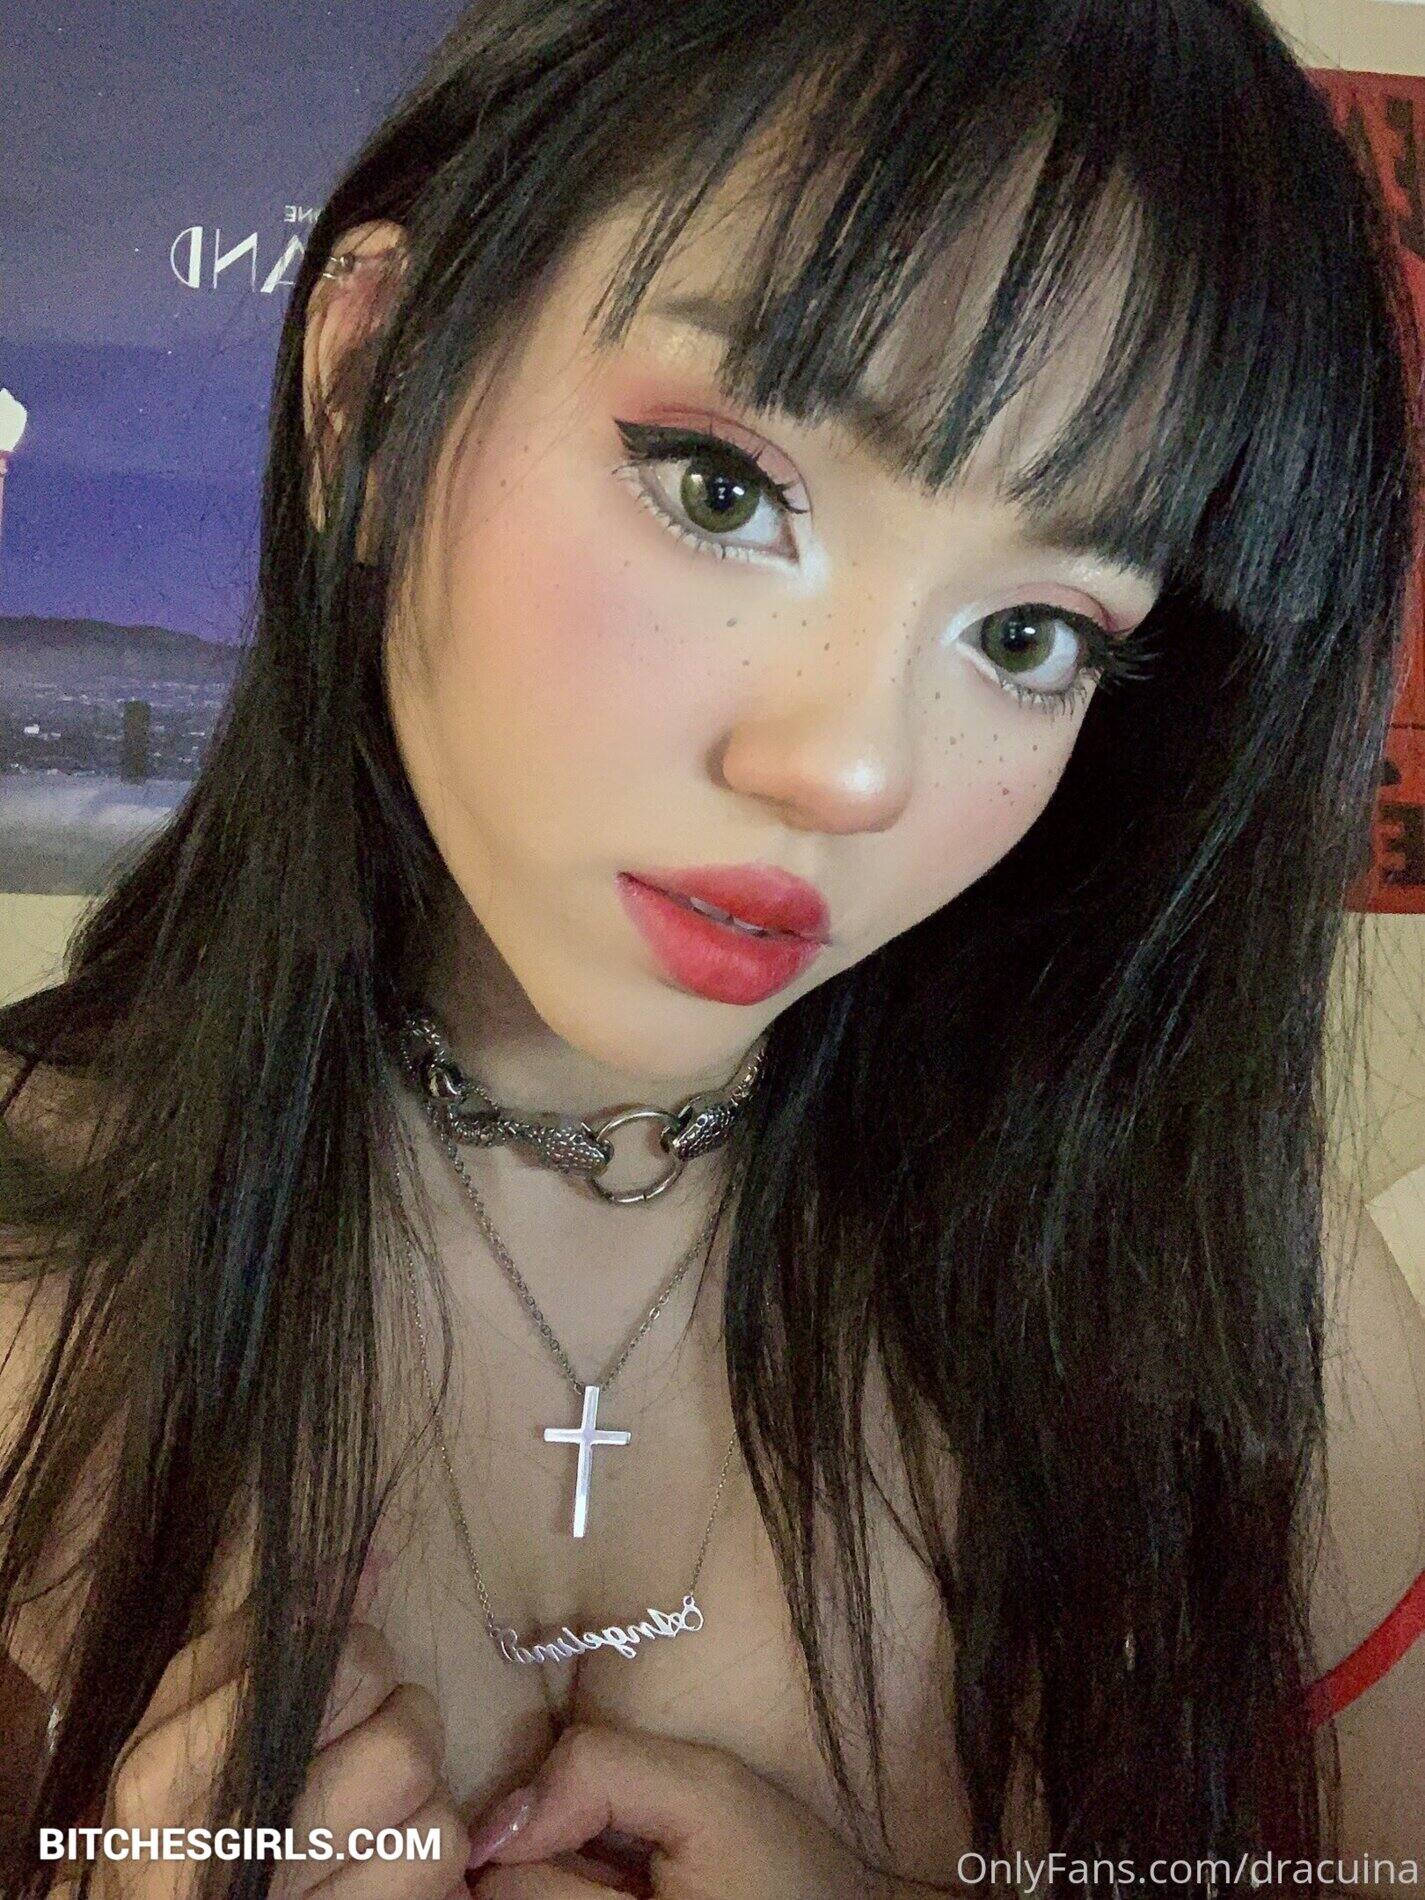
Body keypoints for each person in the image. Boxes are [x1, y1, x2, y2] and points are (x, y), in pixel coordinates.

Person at [2, 0, 1424, 1894]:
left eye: (1028, 637)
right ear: (370, 388)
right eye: (723, 488)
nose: (850, 769)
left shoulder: (1221, 1276)